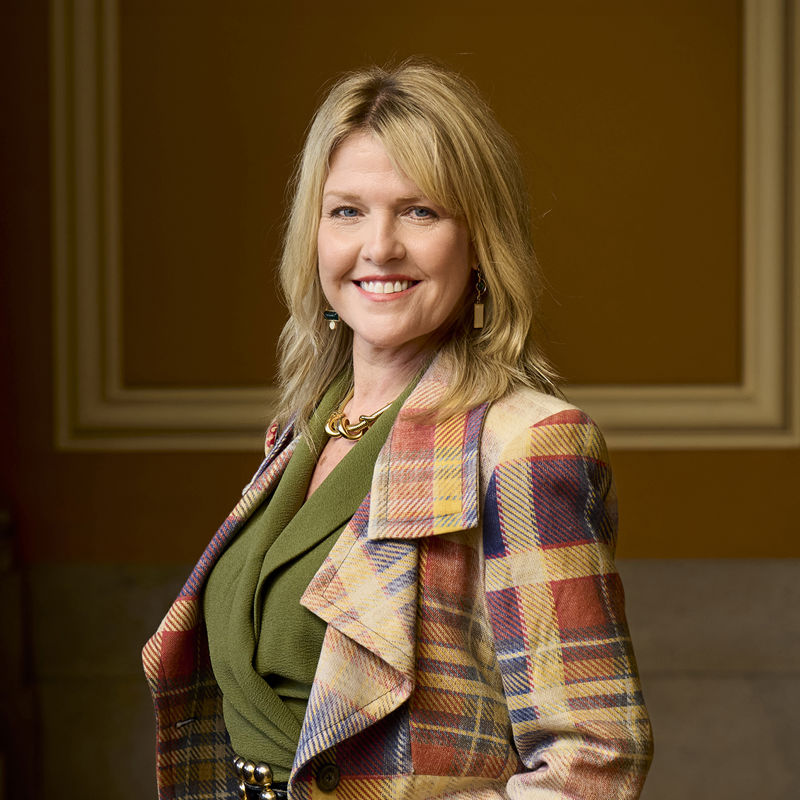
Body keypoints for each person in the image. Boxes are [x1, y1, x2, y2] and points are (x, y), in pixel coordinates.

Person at [143, 58, 653, 800]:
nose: (378, 248)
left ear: (480, 244)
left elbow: (592, 764)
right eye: (347, 210)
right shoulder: (303, 430)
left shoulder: (525, 445)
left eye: (420, 212)